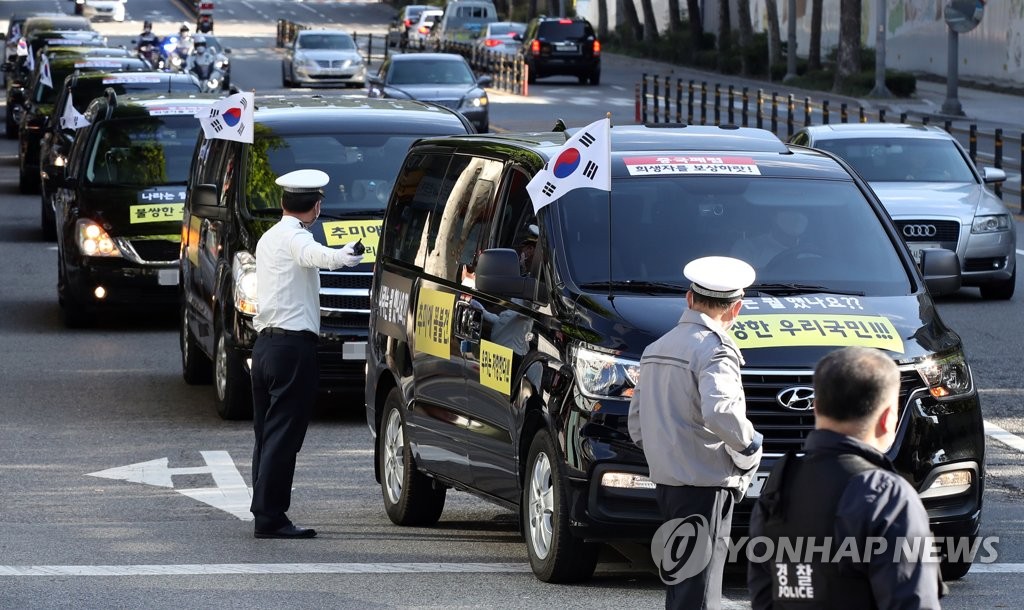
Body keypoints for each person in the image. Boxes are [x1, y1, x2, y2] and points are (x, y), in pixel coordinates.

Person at [747, 346, 944, 609]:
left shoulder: (781, 482)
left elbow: (763, 597)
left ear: (815, 408)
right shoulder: (888, 496)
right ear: (888, 419)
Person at [628, 255, 763, 610]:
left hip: (668, 481)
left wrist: (665, 454)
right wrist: (749, 447)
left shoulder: (654, 349)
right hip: (707, 483)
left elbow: (637, 424)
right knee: (700, 593)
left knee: (681, 583)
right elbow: (721, 411)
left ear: (689, 298)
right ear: (736, 309)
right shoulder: (715, 349)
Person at [249, 169, 364, 539]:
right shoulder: (295, 238)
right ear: (315, 207)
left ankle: (263, 510)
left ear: (284, 202)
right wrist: (344, 256)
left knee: (267, 434)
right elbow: (313, 254)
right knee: (284, 435)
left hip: (265, 344)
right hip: (291, 349)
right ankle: (271, 518)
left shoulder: (268, 237)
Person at [730, 209, 808, 268]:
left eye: (801, 211)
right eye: (789, 210)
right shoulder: (748, 248)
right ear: (774, 217)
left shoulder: (812, 251)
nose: (798, 217)